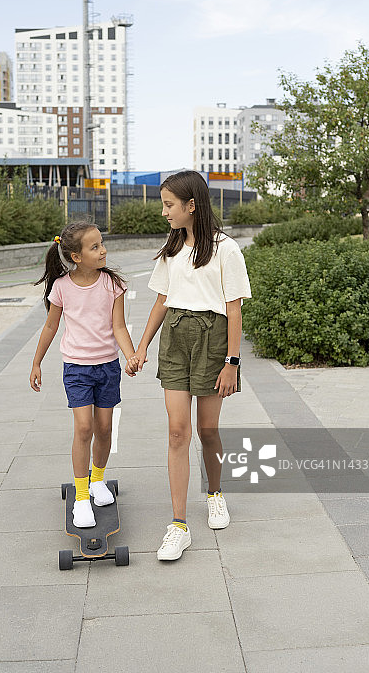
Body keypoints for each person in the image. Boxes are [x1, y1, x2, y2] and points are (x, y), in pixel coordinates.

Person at [126, 171, 251, 561]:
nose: (164, 212)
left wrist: (232, 362)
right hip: (176, 338)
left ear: (191, 206)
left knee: (207, 430)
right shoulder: (172, 249)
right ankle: (178, 526)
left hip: (213, 339)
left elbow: (234, 310)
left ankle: (215, 493)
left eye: (169, 205)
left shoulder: (225, 249)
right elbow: (162, 300)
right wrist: (142, 346)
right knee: (178, 433)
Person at [30, 221, 136, 529]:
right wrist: (36, 362)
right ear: (76, 256)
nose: (103, 250)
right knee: (84, 428)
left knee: (104, 429)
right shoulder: (62, 287)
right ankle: (80, 497)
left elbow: (119, 326)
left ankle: (98, 480)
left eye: (102, 244)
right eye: (94, 247)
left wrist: (131, 356)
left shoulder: (112, 284)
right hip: (76, 368)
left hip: (108, 367)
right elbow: (51, 326)